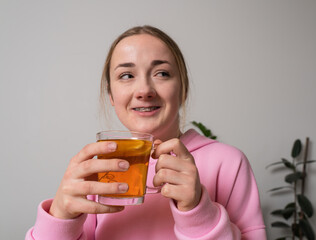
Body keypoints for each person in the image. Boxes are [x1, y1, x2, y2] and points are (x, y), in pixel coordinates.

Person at [26, 25, 266, 239]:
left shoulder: (229, 163)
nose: (144, 90)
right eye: (126, 75)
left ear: (182, 89)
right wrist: (59, 218)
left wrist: (198, 212)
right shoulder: (97, 171)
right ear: (111, 95)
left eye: (161, 73)